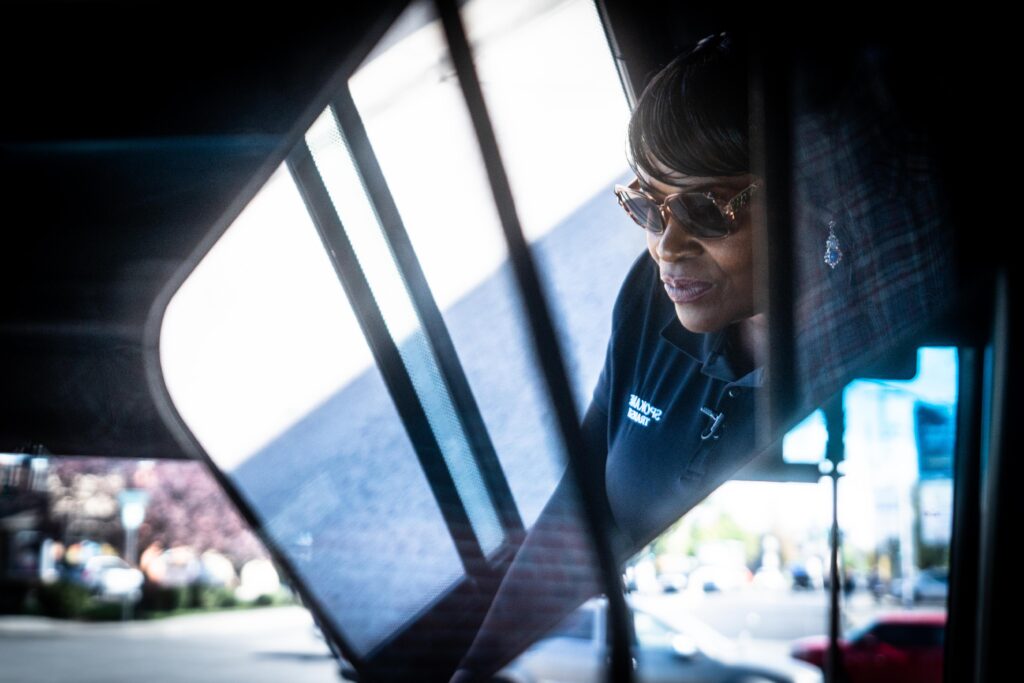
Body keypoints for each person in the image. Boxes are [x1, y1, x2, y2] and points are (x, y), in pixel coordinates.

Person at [451, 31, 766, 682]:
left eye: (707, 210)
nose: (666, 247)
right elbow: (580, 506)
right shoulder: (651, 302)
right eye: (650, 207)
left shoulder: (860, 352)